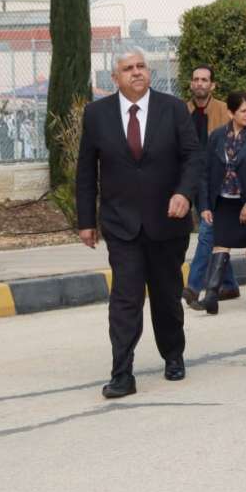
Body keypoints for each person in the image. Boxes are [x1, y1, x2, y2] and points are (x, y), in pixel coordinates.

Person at [75, 46, 202, 398]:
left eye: (141, 66)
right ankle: (122, 373)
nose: (136, 72)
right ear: (115, 78)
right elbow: (87, 169)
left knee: (166, 296)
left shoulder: (173, 109)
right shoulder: (96, 114)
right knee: (125, 299)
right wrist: (86, 220)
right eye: (128, 68)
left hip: (167, 222)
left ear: (150, 72)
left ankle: (173, 355)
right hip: (121, 224)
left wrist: (184, 193)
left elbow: (193, 157)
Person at [197, 92, 246, 315]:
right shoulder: (217, 137)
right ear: (231, 113)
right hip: (223, 202)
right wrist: (204, 206)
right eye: (243, 111)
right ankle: (211, 295)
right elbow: (205, 172)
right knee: (220, 244)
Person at [183, 65, 238, 307]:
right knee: (215, 235)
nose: (200, 83)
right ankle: (229, 285)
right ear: (191, 84)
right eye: (196, 79)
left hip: (217, 183)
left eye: (205, 80)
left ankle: (193, 287)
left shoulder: (225, 111)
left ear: (212, 85)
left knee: (206, 232)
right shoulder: (181, 111)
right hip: (190, 180)